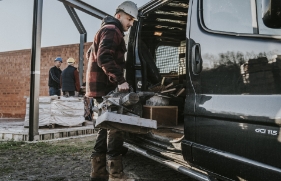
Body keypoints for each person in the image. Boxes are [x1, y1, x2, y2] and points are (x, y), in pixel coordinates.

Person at [85, 1, 138, 181]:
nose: (130, 23)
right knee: (116, 126)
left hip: (98, 87)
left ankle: (98, 171)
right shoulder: (112, 30)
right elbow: (103, 57)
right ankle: (116, 174)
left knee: (105, 126)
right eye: (129, 19)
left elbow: (91, 55)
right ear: (118, 16)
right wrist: (120, 80)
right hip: (105, 87)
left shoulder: (104, 29)